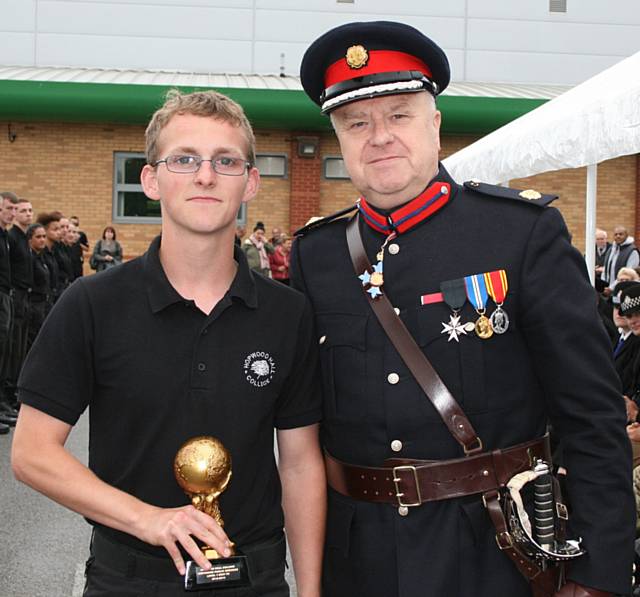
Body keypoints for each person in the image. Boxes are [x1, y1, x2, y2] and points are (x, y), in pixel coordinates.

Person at [291, 20, 634, 597]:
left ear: (435, 124)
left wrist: (596, 576)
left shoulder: (520, 234)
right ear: (339, 138)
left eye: (399, 114)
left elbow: (592, 417)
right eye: (357, 122)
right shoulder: (316, 255)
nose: (379, 136)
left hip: (492, 557)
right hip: (358, 559)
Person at [12, 89, 325, 597]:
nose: (205, 175)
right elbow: (30, 453)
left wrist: (310, 590)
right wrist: (148, 519)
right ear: (151, 180)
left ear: (250, 183)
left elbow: (299, 462)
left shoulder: (288, 313)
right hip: (127, 577)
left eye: (225, 161)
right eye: (184, 159)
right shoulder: (92, 303)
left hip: (256, 578)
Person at [7, 198, 35, 406]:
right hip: (13, 294)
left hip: (25, 294)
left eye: (30, 210)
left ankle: (11, 395)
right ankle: (6, 396)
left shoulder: (24, 238)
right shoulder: (12, 238)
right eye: (22, 210)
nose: (27, 214)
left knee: (19, 347)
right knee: (12, 347)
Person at [0, 192, 18, 433]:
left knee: (6, 351)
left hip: (7, 294)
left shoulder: (6, 236)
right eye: (9, 208)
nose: (12, 213)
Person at [26, 223, 51, 349]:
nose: (42, 240)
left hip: (43, 303)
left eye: (44, 236)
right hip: (34, 304)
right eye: (38, 237)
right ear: (30, 239)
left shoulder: (41, 258)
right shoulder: (30, 258)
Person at [602, 226, 640, 294]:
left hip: (624, 291)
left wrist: (612, 288)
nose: (618, 236)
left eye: (621, 234)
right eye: (616, 234)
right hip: (608, 290)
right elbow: (606, 270)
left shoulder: (632, 251)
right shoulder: (611, 250)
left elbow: (628, 274)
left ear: (626, 235)